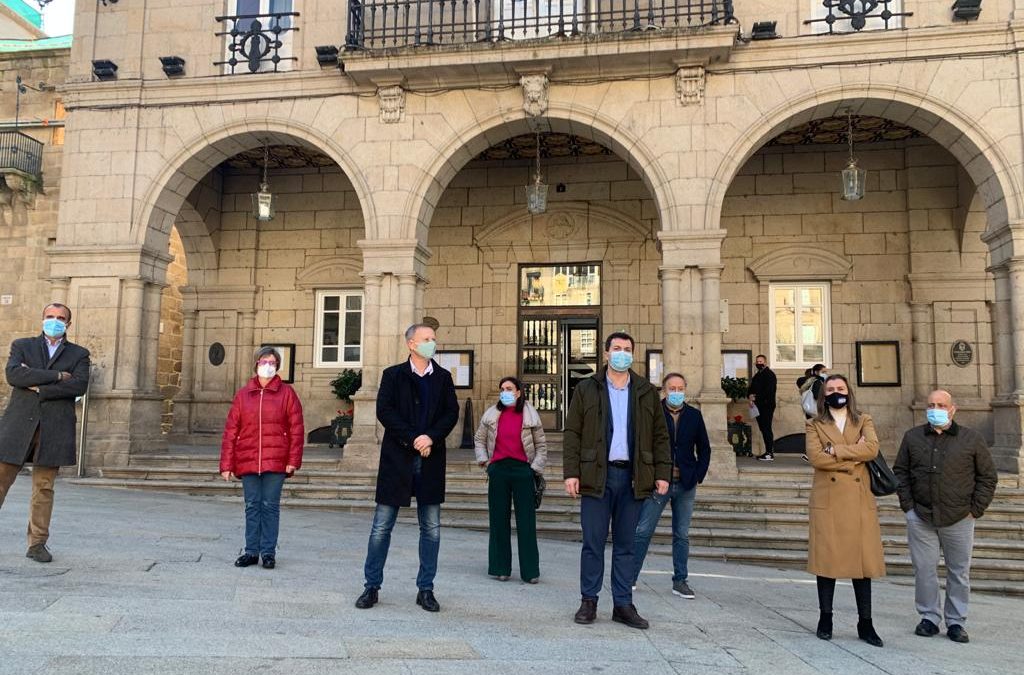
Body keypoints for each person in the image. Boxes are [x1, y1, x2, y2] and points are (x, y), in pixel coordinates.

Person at [563, 332, 671, 630]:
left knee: (626, 544)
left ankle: (623, 604)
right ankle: (589, 601)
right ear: (606, 353)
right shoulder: (587, 388)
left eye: (627, 349)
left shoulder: (646, 391)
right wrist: (571, 472)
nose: (622, 353)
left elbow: (661, 436)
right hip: (597, 474)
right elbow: (572, 433)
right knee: (593, 541)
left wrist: (662, 473)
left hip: (634, 477)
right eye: (617, 349)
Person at [355, 324, 459, 613]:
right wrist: (414, 438)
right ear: (411, 344)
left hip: (430, 458)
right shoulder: (393, 375)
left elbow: (451, 412)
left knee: (432, 528)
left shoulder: (442, 377)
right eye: (427, 339)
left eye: (434, 339)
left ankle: (426, 589)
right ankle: (371, 586)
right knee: (381, 527)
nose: (432, 343)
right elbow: (385, 411)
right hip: (398, 459)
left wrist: (431, 437)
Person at [893, 389, 998, 644]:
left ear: (953, 409)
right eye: (931, 404)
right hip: (922, 516)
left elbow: (987, 477)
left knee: (959, 572)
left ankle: (956, 622)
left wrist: (976, 509)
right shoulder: (913, 437)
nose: (936, 408)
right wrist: (908, 507)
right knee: (925, 570)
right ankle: (929, 618)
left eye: (941, 404)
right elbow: (901, 472)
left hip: (960, 516)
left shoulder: (971, 439)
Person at [0, 303, 90, 563]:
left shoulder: (79, 354)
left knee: (44, 488)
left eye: (60, 318)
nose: (55, 321)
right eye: (50, 317)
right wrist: (58, 376)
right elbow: (15, 375)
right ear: (42, 319)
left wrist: (41, 387)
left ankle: (37, 543)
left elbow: (79, 384)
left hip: (54, 428)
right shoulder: (22, 346)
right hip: (18, 426)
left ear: (68, 325)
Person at [805, 374, 885, 647]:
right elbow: (816, 458)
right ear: (823, 395)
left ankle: (866, 623)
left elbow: (872, 449)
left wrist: (835, 450)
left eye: (840, 388)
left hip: (859, 500)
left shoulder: (864, 419)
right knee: (826, 563)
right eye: (830, 389)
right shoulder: (814, 424)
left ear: (848, 392)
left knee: (862, 566)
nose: (836, 392)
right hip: (828, 500)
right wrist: (853, 453)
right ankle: (825, 618)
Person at [219, 346, 305, 570]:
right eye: (264, 361)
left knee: (270, 506)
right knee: (251, 506)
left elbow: (296, 429)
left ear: (277, 366)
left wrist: (293, 460)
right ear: (256, 364)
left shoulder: (287, 393)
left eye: (272, 362)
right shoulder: (243, 395)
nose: (268, 365)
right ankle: (251, 551)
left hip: (276, 459)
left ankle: (268, 552)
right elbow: (231, 430)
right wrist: (226, 464)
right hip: (248, 459)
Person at [632, 372, 710, 599]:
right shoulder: (652, 413)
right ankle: (630, 577)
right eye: (672, 388)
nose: (676, 392)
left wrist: (697, 475)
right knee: (643, 530)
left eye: (680, 388)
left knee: (682, 534)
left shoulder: (694, 415)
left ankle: (680, 580)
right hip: (659, 482)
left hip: (685, 483)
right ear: (664, 390)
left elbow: (704, 448)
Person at [474, 376, 547, 583]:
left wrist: (534, 468)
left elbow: (541, 446)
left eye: (509, 388)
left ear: (518, 392)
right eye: (502, 389)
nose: (504, 392)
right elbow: (479, 439)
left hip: (523, 471)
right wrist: (485, 462)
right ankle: (500, 567)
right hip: (498, 471)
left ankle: (530, 571)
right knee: (498, 520)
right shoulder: (491, 414)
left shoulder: (530, 415)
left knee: (526, 522)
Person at [748, 354, 777, 461]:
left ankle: (769, 453)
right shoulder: (758, 375)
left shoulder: (769, 375)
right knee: (763, 429)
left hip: (766, 406)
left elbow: (769, 391)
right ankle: (767, 452)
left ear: (765, 362)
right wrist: (750, 396)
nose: (758, 363)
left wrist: (756, 397)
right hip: (758, 405)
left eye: (760, 361)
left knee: (766, 428)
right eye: (757, 362)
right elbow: (751, 388)